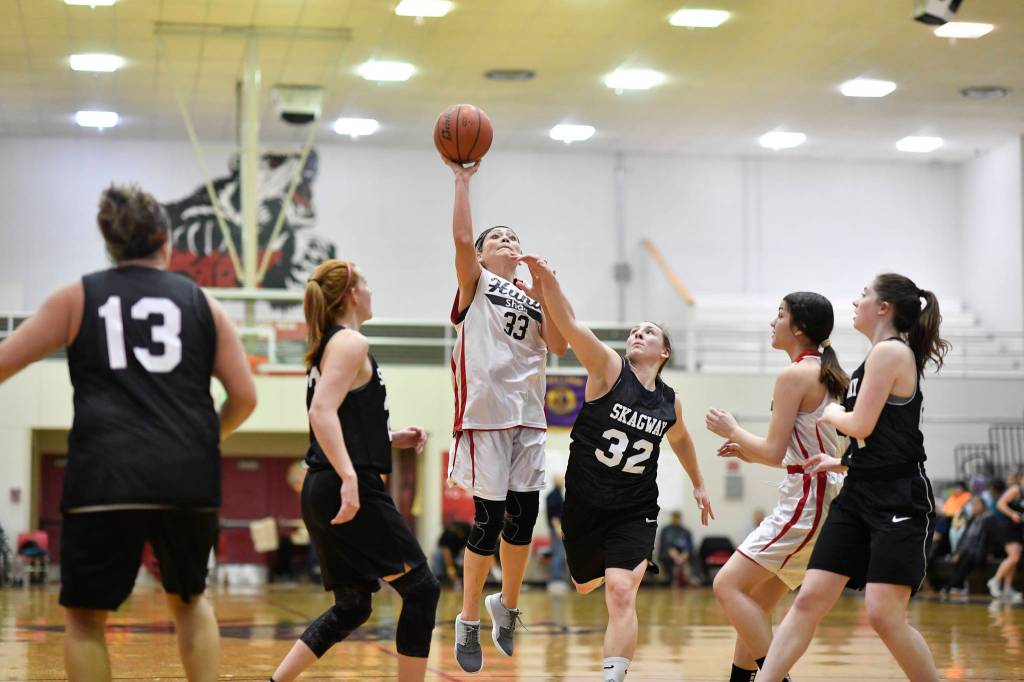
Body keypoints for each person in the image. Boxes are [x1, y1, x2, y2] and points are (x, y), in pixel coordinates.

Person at [0, 184, 257, 682]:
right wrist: (207, 438)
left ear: (109, 242)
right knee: (190, 601)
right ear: (166, 239)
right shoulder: (204, 303)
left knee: (84, 621)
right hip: (187, 475)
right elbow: (244, 397)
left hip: (104, 474)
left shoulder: (77, 296)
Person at [518, 253, 713, 682]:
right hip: (586, 504)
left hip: (635, 509)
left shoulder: (670, 401)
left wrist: (698, 483)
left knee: (622, 592)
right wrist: (546, 280)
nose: (637, 333)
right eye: (634, 330)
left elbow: (680, 438)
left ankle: (613, 678)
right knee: (587, 584)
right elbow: (567, 323)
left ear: (664, 351)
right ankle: (594, 576)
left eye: (649, 332)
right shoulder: (608, 368)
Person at [759, 273, 950, 682]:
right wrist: (841, 461)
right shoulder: (877, 356)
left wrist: (831, 415)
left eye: (864, 295)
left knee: (883, 614)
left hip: (899, 498)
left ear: (883, 308)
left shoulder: (891, 353)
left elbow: (859, 425)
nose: (855, 301)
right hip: (859, 492)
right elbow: (883, 435)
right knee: (809, 598)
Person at [269, 259, 438, 682]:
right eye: (366, 284)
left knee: (354, 606)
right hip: (344, 481)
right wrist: (349, 478)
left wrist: (392, 437)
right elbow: (321, 412)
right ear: (350, 295)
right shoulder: (349, 344)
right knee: (422, 589)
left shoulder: (334, 344)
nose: (371, 292)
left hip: (323, 483)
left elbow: (342, 417)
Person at [442, 159, 568, 674]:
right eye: (499, 238)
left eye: (514, 237)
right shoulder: (474, 283)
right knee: (488, 519)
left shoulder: (536, 298)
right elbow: (461, 237)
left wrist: (550, 290)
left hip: (528, 418)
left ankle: (507, 607)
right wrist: (462, 181)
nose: (509, 242)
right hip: (484, 414)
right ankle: (468, 617)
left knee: (524, 517)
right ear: (481, 253)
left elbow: (559, 344)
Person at [707, 292, 847, 682]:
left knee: (727, 584)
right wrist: (748, 451)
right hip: (817, 494)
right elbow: (788, 451)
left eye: (780, 315)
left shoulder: (795, 375)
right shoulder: (824, 372)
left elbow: (772, 452)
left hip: (808, 499)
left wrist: (733, 428)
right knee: (754, 602)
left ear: (799, 328)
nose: (773, 322)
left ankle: (775, 677)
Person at [990, 477, 1024, 601]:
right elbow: (1000, 504)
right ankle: (994, 581)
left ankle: (1007, 588)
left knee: (1014, 559)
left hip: (1017, 528)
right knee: (1014, 557)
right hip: (1007, 527)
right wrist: (1012, 514)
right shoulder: (1016, 490)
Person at [657, 511, 695, 587]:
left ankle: (692, 577)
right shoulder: (666, 530)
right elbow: (664, 544)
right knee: (665, 557)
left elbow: (690, 545)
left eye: (678, 518)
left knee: (694, 556)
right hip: (669, 553)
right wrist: (674, 555)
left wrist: (685, 554)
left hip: (683, 553)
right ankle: (670, 578)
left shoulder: (686, 531)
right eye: (675, 517)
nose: (676, 519)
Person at [546, 476, 568, 590]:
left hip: (558, 528)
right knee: (558, 554)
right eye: (562, 479)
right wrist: (558, 529)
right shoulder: (554, 496)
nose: (564, 481)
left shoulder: (557, 494)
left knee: (559, 553)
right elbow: (554, 516)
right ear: (556, 481)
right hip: (556, 529)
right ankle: (556, 580)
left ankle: (558, 578)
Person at [434, 519, 471, 586]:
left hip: (461, 552)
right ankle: (439, 578)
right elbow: (446, 552)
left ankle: (467, 579)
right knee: (437, 555)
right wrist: (450, 569)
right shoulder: (447, 533)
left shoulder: (468, 529)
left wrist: (465, 552)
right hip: (448, 553)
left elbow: (471, 545)